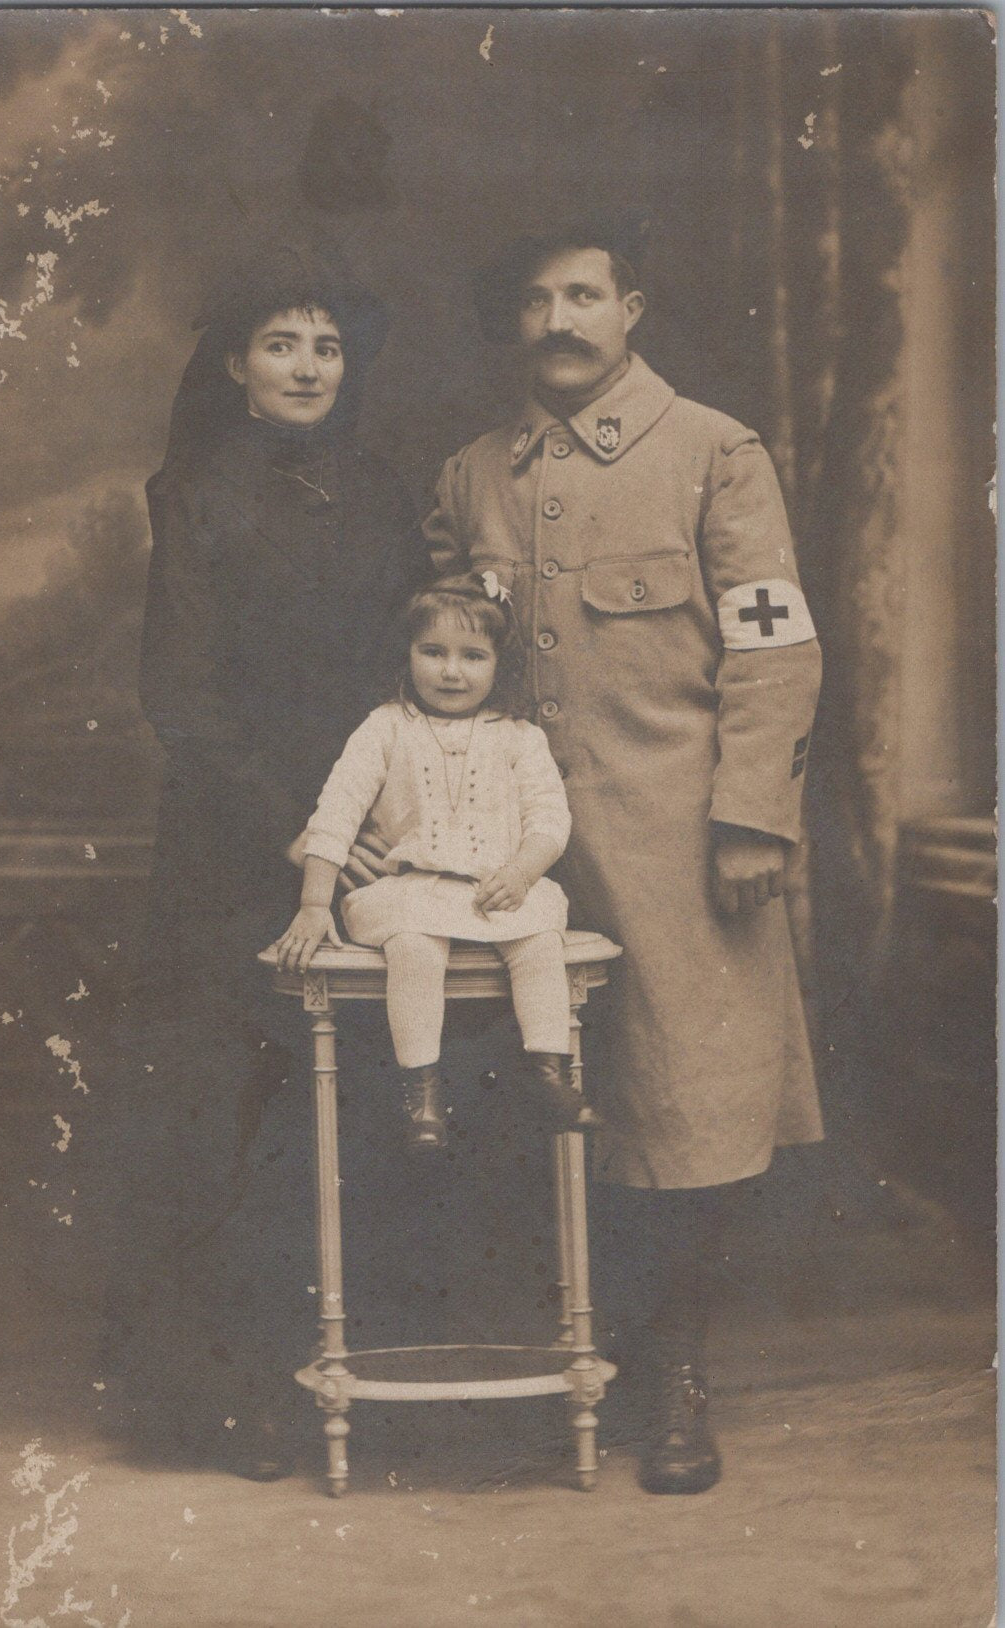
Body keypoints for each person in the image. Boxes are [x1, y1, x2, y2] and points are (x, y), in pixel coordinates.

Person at [420, 221, 824, 1494]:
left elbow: (773, 647)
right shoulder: (470, 476)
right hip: (507, 858)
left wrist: (752, 814)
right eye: (536, 297)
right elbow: (439, 660)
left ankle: (674, 1376)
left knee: (683, 1113)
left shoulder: (715, 452)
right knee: (522, 1107)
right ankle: (559, 1360)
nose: (561, 319)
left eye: (584, 294)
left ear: (633, 306)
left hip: (676, 846)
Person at [105, 243, 430, 1480]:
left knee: (342, 1115)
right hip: (235, 850)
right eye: (283, 343)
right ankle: (209, 1400)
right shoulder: (191, 494)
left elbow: (411, 669)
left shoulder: (387, 495)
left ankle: (355, 1379)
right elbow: (180, 697)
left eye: (329, 345)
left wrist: (381, 820)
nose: (307, 366)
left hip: (369, 844)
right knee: (220, 1112)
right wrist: (301, 831)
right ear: (237, 364)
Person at [273, 572, 602, 1150]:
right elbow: (336, 812)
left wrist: (522, 873)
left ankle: (546, 1074)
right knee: (415, 947)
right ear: (407, 654)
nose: (452, 671)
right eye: (433, 652)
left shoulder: (520, 738)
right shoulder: (384, 728)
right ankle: (421, 1089)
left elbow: (550, 820)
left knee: (540, 942)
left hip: (496, 890)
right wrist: (312, 902)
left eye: (473, 656)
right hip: (411, 891)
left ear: (501, 664)